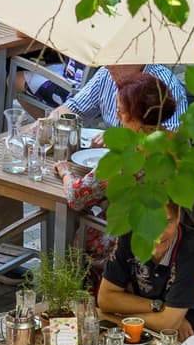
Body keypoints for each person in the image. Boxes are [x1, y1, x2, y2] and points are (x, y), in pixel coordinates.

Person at [61, 72, 175, 261]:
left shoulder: (128, 157)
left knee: (74, 223)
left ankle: (71, 274)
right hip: (168, 235)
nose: (116, 116)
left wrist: (65, 172)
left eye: (120, 111)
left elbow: (76, 196)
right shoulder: (173, 142)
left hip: (122, 243)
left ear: (137, 117)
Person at [97, 198, 194, 336]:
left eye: (167, 222)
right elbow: (105, 299)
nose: (159, 233)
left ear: (178, 216)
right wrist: (159, 307)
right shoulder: (129, 235)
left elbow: (167, 325)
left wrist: (116, 317)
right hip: (144, 330)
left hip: (185, 338)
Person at [55, 62, 188, 131]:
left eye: (115, 58)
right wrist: (47, 123)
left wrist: (118, 140)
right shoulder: (106, 73)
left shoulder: (164, 85)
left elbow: (171, 139)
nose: (107, 65)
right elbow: (75, 108)